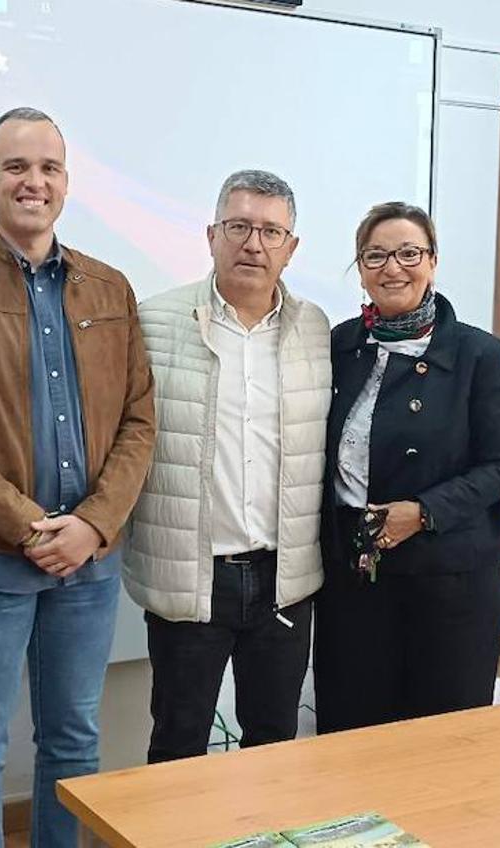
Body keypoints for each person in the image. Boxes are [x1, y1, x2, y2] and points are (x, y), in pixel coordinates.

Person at [0, 107, 155, 847]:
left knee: (73, 743)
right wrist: (29, 527)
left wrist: (93, 526)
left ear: (66, 182)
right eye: (15, 166)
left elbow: (139, 419)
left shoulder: (109, 287)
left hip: (89, 566)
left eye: (47, 167)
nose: (32, 181)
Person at [124, 170, 331, 763]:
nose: (253, 244)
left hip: (284, 579)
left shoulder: (315, 329)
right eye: (239, 226)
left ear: (291, 247)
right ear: (211, 235)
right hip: (191, 578)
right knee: (178, 743)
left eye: (271, 231)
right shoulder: (153, 322)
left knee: (274, 744)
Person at [314, 201, 500, 733]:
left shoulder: (477, 353)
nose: (392, 268)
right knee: (350, 734)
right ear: (360, 268)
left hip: (449, 578)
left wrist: (423, 512)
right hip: (354, 577)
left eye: (408, 253)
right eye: (375, 255)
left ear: (432, 261)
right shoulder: (341, 345)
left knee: (440, 744)